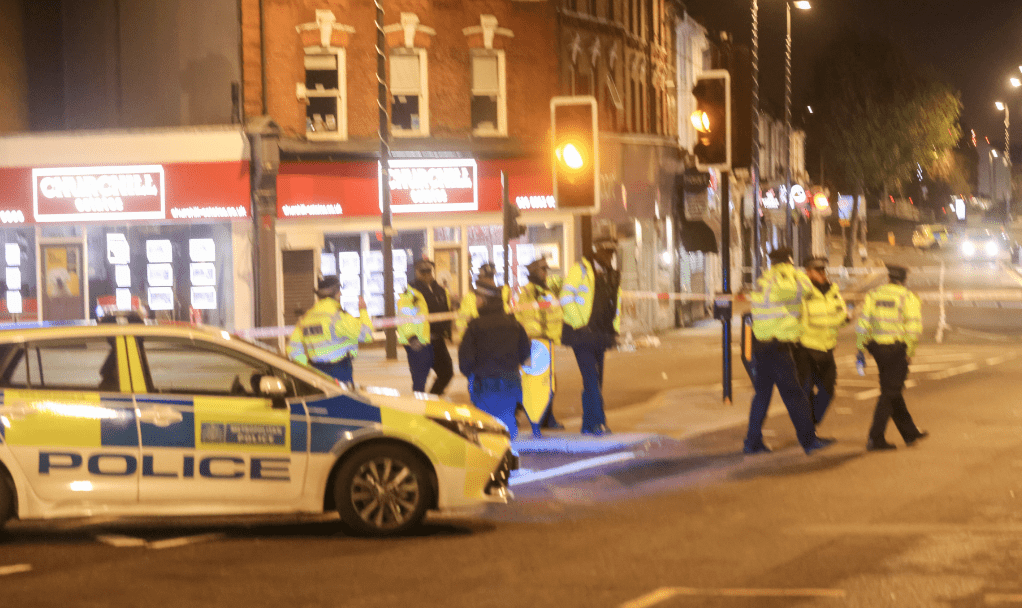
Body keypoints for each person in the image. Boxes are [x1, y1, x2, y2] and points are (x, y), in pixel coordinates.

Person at [744, 247, 834, 455]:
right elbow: (806, 290)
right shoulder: (786, 277)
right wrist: (798, 274)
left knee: (762, 396)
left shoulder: (763, 279)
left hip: (761, 344)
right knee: (795, 396)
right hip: (778, 346)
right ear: (788, 261)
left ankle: (752, 441)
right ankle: (809, 441)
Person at [856, 264, 928, 451]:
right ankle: (875, 437)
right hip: (897, 351)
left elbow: (864, 322)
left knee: (892, 389)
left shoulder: (874, 295)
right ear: (903, 280)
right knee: (889, 393)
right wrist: (909, 352)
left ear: (888, 278)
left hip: (877, 349)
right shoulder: (908, 297)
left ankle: (910, 432)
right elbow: (913, 328)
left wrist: (861, 348)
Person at [560, 236, 621, 435]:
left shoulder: (610, 274)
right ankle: (598, 423)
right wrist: (580, 325)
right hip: (581, 336)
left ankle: (587, 424)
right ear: (596, 251)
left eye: (612, 253)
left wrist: (615, 330)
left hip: (601, 335)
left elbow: (616, 306)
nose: (609, 257)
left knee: (596, 381)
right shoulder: (581, 270)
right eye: (606, 252)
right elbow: (566, 298)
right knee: (591, 378)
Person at [458, 285, 531, 440]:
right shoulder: (513, 323)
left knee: (487, 428)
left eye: (477, 298)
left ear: (484, 301)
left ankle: (492, 461)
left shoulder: (475, 326)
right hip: (510, 381)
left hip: (484, 384)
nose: (475, 301)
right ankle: (510, 459)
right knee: (507, 425)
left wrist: (470, 373)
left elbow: (465, 358)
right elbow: (525, 351)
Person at [287, 276, 373, 384]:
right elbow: (367, 335)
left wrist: (307, 370)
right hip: (339, 370)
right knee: (341, 400)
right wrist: (363, 311)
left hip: (315, 370)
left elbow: (293, 350)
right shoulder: (337, 317)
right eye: (339, 292)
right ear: (337, 293)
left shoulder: (305, 319)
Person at [796, 256, 850, 427]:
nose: (822, 274)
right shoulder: (801, 293)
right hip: (806, 349)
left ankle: (811, 423)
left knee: (828, 390)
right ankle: (807, 431)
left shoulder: (833, 292)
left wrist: (846, 318)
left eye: (823, 270)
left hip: (827, 349)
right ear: (808, 272)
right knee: (805, 391)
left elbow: (841, 316)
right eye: (818, 271)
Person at [515, 257, 564, 437]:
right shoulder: (527, 292)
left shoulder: (546, 291)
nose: (545, 274)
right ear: (535, 272)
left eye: (546, 271)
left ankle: (546, 418)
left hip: (546, 343)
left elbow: (556, 314)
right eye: (543, 271)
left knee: (548, 382)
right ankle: (524, 415)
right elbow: (524, 317)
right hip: (533, 343)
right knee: (531, 382)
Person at [397, 258, 453, 394]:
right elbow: (403, 317)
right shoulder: (409, 294)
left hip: (437, 340)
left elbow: (446, 311)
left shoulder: (441, 291)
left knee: (447, 373)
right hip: (419, 342)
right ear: (416, 272)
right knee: (419, 381)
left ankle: (432, 399)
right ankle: (420, 409)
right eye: (423, 271)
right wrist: (411, 337)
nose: (426, 274)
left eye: (429, 271)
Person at [453, 262, 511, 343]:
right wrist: (468, 340)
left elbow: (507, 317)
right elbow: (461, 322)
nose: (490, 280)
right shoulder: (470, 297)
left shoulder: (500, 295)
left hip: (498, 341)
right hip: (479, 341)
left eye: (491, 277)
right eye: (487, 277)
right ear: (480, 278)